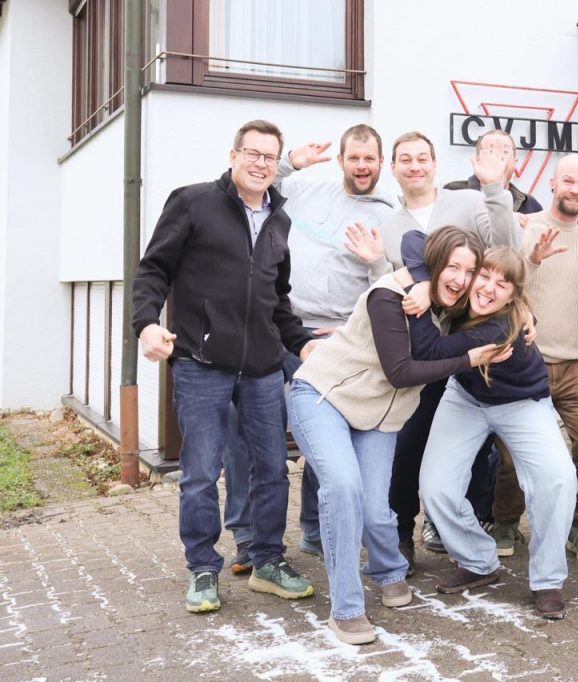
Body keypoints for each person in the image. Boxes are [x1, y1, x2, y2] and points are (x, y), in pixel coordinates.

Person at [288, 227, 510, 645]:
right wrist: (467, 358)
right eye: (452, 267)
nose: (461, 279)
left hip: (378, 416)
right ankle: (346, 610)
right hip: (324, 398)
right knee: (344, 489)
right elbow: (400, 372)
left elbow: (505, 303)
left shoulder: (452, 308)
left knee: (377, 510)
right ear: (434, 263)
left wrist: (526, 320)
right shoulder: (389, 296)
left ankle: (387, 570)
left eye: (469, 271)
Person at [132, 119, 317, 614]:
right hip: (201, 362)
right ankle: (202, 567)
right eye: (252, 153)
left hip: (262, 367)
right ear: (233, 155)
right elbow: (154, 269)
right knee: (199, 472)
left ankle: (267, 561)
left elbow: (277, 299)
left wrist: (302, 344)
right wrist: (145, 324)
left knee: (273, 469)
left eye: (269, 157)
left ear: (277, 165)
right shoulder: (192, 202)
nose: (261, 164)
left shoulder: (279, 220)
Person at [221, 124, 396, 573]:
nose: (361, 166)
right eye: (354, 158)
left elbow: (391, 285)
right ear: (341, 160)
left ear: (381, 163)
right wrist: (288, 162)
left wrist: (374, 265)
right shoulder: (305, 190)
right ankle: (247, 535)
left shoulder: (389, 215)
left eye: (370, 159)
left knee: (325, 433)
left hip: (338, 340)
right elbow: (250, 185)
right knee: (247, 429)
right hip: (277, 327)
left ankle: (316, 529)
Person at [407, 242, 578, 619]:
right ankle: (477, 561)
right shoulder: (457, 295)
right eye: (483, 276)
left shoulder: (500, 328)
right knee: (435, 486)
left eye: (502, 285)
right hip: (466, 397)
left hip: (522, 403)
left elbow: (431, 353)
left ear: (513, 296)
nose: (488, 288)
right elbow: (413, 241)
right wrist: (421, 282)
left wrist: (418, 300)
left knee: (558, 479)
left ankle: (548, 579)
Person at [381, 131, 517, 570]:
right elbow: (390, 285)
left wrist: (494, 188)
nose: (415, 165)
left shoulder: (469, 202)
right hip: (422, 354)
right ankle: (403, 530)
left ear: (436, 164)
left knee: (473, 450)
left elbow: (507, 252)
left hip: (470, 343)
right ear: (393, 168)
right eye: (405, 159)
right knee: (408, 445)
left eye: (423, 157)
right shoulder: (391, 227)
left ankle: (466, 530)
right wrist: (419, 282)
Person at [491, 155, 578, 564]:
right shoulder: (525, 228)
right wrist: (531, 261)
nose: (575, 189)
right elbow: (503, 293)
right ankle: (505, 521)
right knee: (511, 452)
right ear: (552, 183)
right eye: (568, 181)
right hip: (526, 360)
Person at [445, 129, 543, 214]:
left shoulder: (530, 205)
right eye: (490, 151)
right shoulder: (453, 193)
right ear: (477, 160)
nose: (496, 157)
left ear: (515, 163)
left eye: (504, 152)